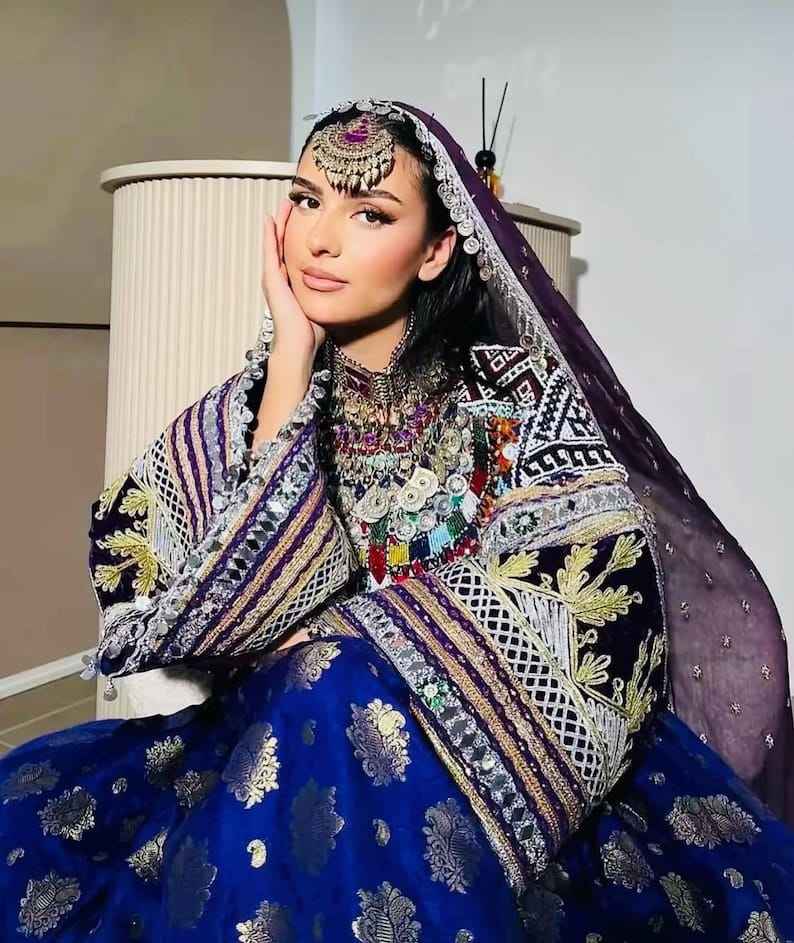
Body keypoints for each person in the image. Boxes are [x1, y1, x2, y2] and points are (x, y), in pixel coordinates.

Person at [0, 97, 792, 942]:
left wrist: (344, 648)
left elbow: (601, 621)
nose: (320, 238)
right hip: (258, 764)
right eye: (307, 200)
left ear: (436, 249)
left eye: (370, 213)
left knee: (330, 680)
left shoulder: (517, 401)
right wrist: (291, 360)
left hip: (479, 781)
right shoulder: (246, 410)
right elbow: (174, 584)